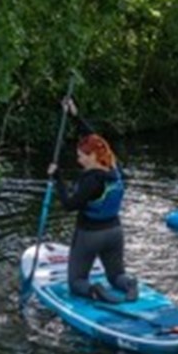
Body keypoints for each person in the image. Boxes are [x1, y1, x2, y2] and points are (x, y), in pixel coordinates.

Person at [47, 97, 137, 303]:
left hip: (90, 235)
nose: (78, 159)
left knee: (76, 281)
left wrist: (57, 177)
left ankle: (94, 290)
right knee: (116, 276)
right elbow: (95, 138)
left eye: (81, 156)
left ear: (93, 157)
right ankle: (129, 284)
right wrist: (75, 115)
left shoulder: (91, 181)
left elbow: (69, 205)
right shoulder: (114, 166)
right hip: (115, 232)